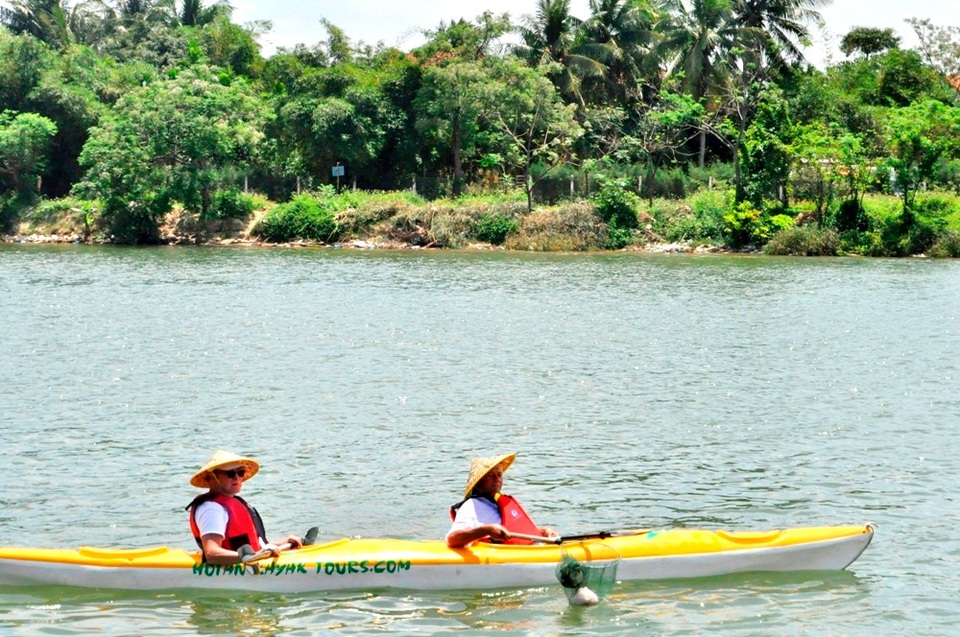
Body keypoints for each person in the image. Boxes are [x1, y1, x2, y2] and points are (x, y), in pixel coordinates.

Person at [186, 450, 303, 565]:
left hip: (248, 560)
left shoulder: (232, 502)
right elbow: (212, 554)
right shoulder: (212, 509)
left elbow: (253, 545)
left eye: (240, 472)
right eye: (230, 474)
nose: (236, 477)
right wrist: (254, 557)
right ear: (212, 477)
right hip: (232, 570)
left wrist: (279, 544)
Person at [446, 452, 557, 548]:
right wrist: (487, 530)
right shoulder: (471, 505)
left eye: (499, 475)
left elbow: (516, 530)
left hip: (527, 550)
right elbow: (452, 539)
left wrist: (543, 531)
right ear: (478, 482)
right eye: (491, 475)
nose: (497, 479)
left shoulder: (500, 503)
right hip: (505, 556)